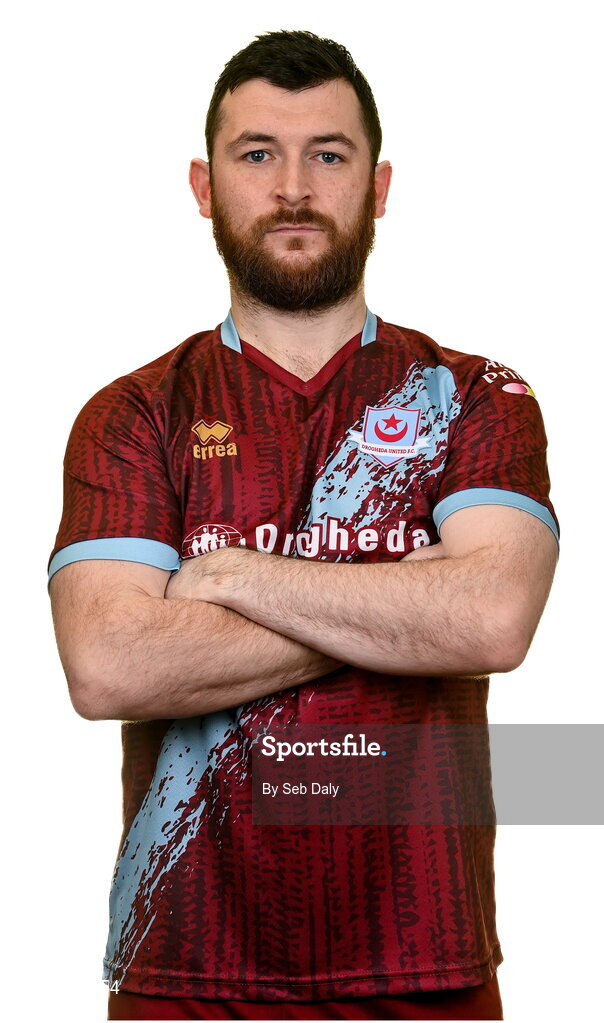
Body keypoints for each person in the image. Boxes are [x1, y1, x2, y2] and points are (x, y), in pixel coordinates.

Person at [48, 29, 559, 1022]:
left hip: (425, 970)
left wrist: (231, 574)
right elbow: (107, 664)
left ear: (378, 185)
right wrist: (405, 596)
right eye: (257, 154)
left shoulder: (479, 397)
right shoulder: (134, 413)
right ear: (204, 186)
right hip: (186, 976)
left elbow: (492, 618)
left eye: (328, 154)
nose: (292, 186)